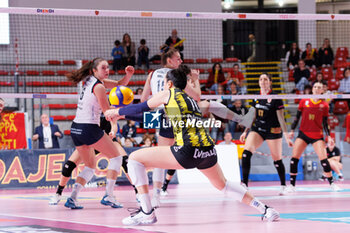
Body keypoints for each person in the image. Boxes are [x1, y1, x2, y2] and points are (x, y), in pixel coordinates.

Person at [104, 66, 280, 225]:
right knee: (223, 185)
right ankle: (265, 209)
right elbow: (148, 118)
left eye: (165, 83)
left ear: (169, 83)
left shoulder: (169, 94)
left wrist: (116, 111)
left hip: (187, 151)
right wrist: (120, 117)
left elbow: (142, 107)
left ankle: (146, 212)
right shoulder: (190, 102)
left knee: (134, 159)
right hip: (208, 151)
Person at [62, 58, 135, 209]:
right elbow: (107, 111)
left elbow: (117, 85)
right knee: (116, 157)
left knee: (89, 166)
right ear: (94, 70)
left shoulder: (90, 80)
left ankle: (73, 198)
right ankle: (109, 195)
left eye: (107, 67)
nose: (106, 70)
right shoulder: (99, 86)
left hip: (75, 128)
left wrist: (128, 76)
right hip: (89, 128)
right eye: (103, 68)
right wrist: (123, 112)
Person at [239, 73, 293, 195]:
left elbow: (281, 119)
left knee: (277, 159)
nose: (263, 81)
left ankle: (283, 186)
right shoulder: (256, 96)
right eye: (261, 79)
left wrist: (286, 136)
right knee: (246, 153)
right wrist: (245, 131)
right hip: (258, 129)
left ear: (270, 82)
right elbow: (252, 116)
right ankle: (245, 185)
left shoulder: (275, 97)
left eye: (265, 79)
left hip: (273, 131)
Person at [287, 81, 341, 192]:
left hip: (317, 135)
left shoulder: (324, 105)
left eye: (319, 87)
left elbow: (325, 123)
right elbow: (297, 117)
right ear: (312, 89)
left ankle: (332, 183)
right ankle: (292, 186)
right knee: (294, 159)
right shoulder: (304, 101)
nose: (316, 89)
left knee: (324, 160)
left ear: (322, 91)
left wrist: (329, 136)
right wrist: (292, 130)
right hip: (303, 134)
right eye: (315, 87)